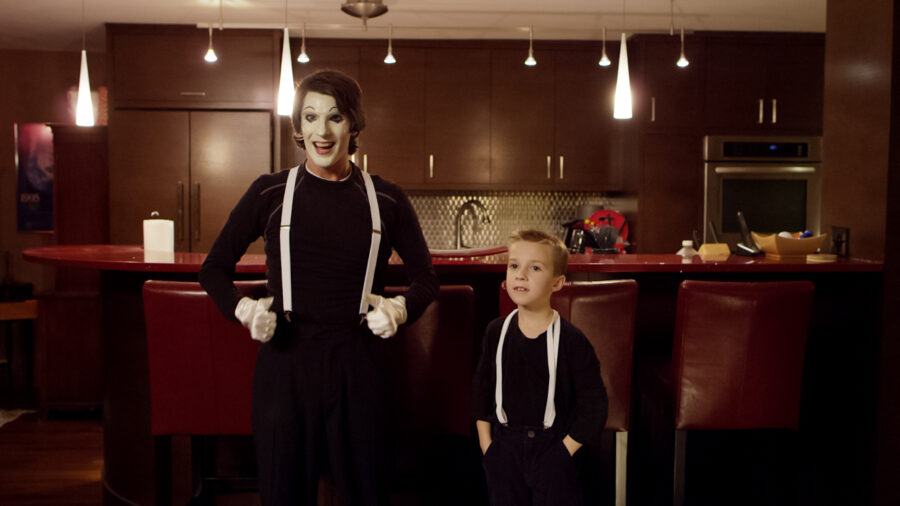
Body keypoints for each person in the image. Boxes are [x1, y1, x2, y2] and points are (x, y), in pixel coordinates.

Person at [199, 69, 439, 506]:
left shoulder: (387, 199)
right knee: (284, 495)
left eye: (334, 117)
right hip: (286, 366)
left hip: (362, 364)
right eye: (310, 118)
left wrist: (401, 309)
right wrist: (243, 310)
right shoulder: (269, 192)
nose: (321, 131)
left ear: (354, 124)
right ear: (298, 126)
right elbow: (213, 269)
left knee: (367, 493)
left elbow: (426, 278)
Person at [473, 229, 608, 506]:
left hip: (554, 449)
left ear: (557, 283)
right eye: (514, 266)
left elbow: (594, 406)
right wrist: (488, 448)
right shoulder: (495, 332)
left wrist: (563, 453)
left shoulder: (572, 340)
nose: (520, 275)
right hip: (504, 451)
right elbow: (480, 393)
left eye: (535, 267)